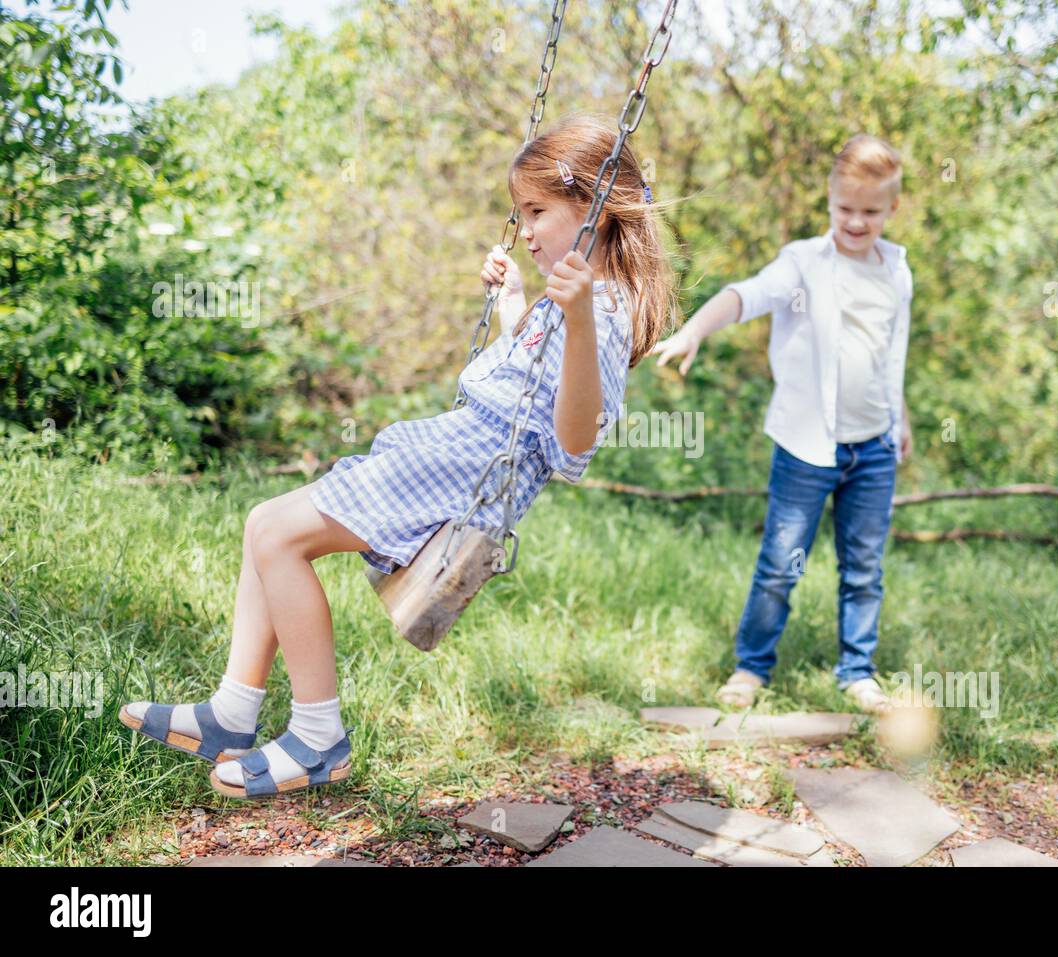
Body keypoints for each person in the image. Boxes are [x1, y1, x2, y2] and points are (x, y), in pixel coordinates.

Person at [118, 113, 676, 798]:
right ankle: (233, 711)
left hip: (460, 470)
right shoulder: (576, 297)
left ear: (592, 205)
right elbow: (532, 378)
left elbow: (574, 440)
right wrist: (512, 304)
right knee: (265, 521)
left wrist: (582, 316)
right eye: (518, 213)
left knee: (277, 535)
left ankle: (318, 735)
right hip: (447, 450)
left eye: (536, 210)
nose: (525, 229)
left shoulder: (605, 307)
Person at [652, 133, 913, 715]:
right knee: (781, 561)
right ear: (829, 200)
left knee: (865, 565)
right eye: (845, 208)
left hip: (873, 446)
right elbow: (744, 296)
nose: (856, 221)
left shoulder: (896, 271)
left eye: (870, 211)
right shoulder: (804, 264)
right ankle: (751, 667)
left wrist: (902, 419)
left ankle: (857, 671)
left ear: (892, 209)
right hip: (806, 445)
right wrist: (694, 330)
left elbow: (890, 352)